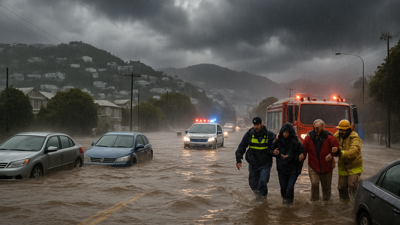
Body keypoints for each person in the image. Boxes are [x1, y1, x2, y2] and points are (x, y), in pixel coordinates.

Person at [235, 116, 276, 201]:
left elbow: (279, 142)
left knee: (262, 181)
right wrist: (238, 160)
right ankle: (259, 197)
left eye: (257, 124)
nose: (256, 127)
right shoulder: (249, 134)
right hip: (253, 164)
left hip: (265, 164)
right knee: (252, 184)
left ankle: (264, 197)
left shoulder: (269, 134)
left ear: (262, 124)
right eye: (254, 125)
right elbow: (241, 147)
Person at [302, 119, 339, 201]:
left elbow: (336, 150)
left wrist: (331, 154)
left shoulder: (330, 138)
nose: (316, 130)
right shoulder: (308, 138)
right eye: (315, 128)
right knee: (315, 184)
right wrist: (301, 157)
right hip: (313, 166)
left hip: (327, 167)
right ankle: (314, 203)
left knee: (326, 188)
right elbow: (303, 150)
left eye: (318, 128)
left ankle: (326, 204)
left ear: (323, 128)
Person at [271, 123, 304, 204]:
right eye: (284, 132)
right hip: (282, 169)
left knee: (290, 187)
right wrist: (273, 152)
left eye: (287, 132)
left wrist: (299, 155)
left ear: (290, 133)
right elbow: (270, 150)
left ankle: (289, 205)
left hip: (293, 169)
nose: (285, 134)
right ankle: (285, 202)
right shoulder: (278, 141)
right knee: (283, 188)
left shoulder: (296, 141)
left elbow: (301, 151)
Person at [332, 119, 363, 203]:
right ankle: (344, 206)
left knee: (352, 186)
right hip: (342, 167)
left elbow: (354, 152)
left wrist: (340, 152)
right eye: (340, 129)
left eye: (343, 130)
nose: (341, 132)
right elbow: (330, 145)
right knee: (341, 188)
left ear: (348, 130)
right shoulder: (336, 136)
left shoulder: (355, 137)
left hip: (354, 167)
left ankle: (356, 203)